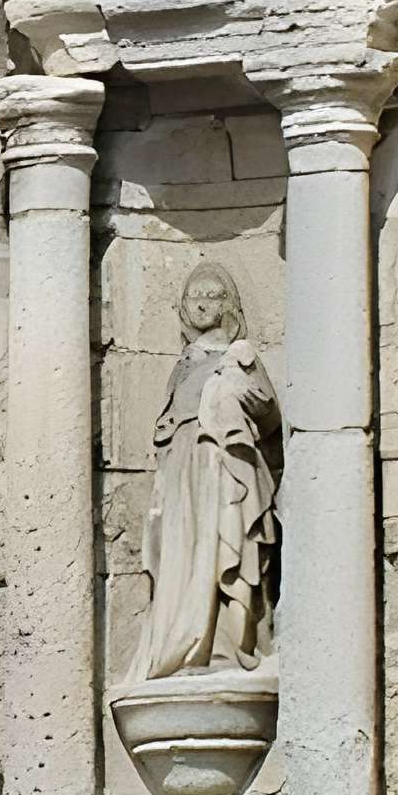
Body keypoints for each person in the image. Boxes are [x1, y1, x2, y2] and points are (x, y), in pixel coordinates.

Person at [138, 264, 281, 676]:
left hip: (222, 464)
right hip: (182, 467)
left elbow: (268, 413)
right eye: (193, 296)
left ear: (228, 304)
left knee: (223, 544)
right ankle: (182, 644)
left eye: (213, 295)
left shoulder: (240, 358)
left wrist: (233, 391)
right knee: (182, 554)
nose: (202, 303)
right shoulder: (184, 363)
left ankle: (225, 648)